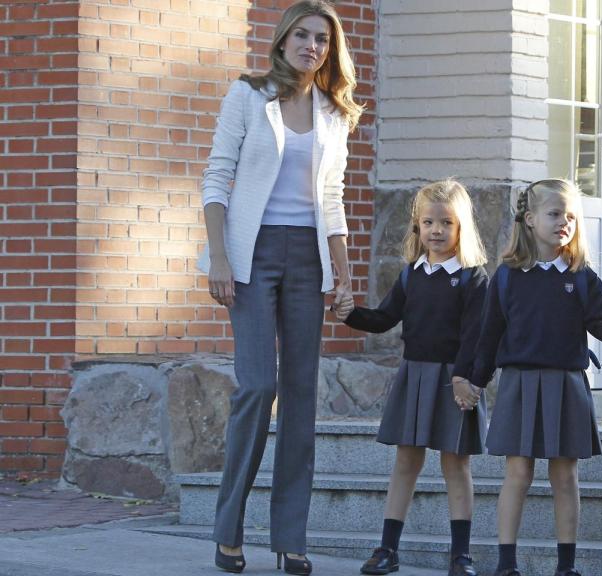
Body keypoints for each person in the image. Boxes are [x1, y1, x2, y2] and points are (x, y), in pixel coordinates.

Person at [199, 1, 363, 573]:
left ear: (329, 49)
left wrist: (343, 273)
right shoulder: (248, 95)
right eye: (302, 34)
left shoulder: (333, 112)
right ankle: (229, 528)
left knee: (300, 398)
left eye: (321, 38)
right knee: (255, 387)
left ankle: (290, 538)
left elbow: (334, 199)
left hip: (307, 261)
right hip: (251, 255)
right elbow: (218, 178)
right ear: (283, 39)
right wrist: (220, 258)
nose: (311, 46)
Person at [470, 179, 602, 576]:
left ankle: (566, 566)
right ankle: (506, 564)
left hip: (567, 385)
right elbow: (489, 334)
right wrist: (474, 380)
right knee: (518, 473)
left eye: (570, 216)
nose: (564, 222)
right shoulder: (508, 277)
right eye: (554, 214)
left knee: (565, 474)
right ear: (529, 220)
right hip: (519, 384)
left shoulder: (583, 277)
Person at [335, 179, 489, 576]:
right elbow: (385, 318)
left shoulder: (474, 279)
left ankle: (461, 555)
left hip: (456, 380)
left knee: (456, 465)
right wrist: (351, 313)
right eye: (428, 222)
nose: (436, 230)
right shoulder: (410, 275)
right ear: (417, 227)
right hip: (415, 376)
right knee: (406, 461)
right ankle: (387, 549)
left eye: (446, 223)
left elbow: (476, 337)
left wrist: (465, 379)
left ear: (461, 228)